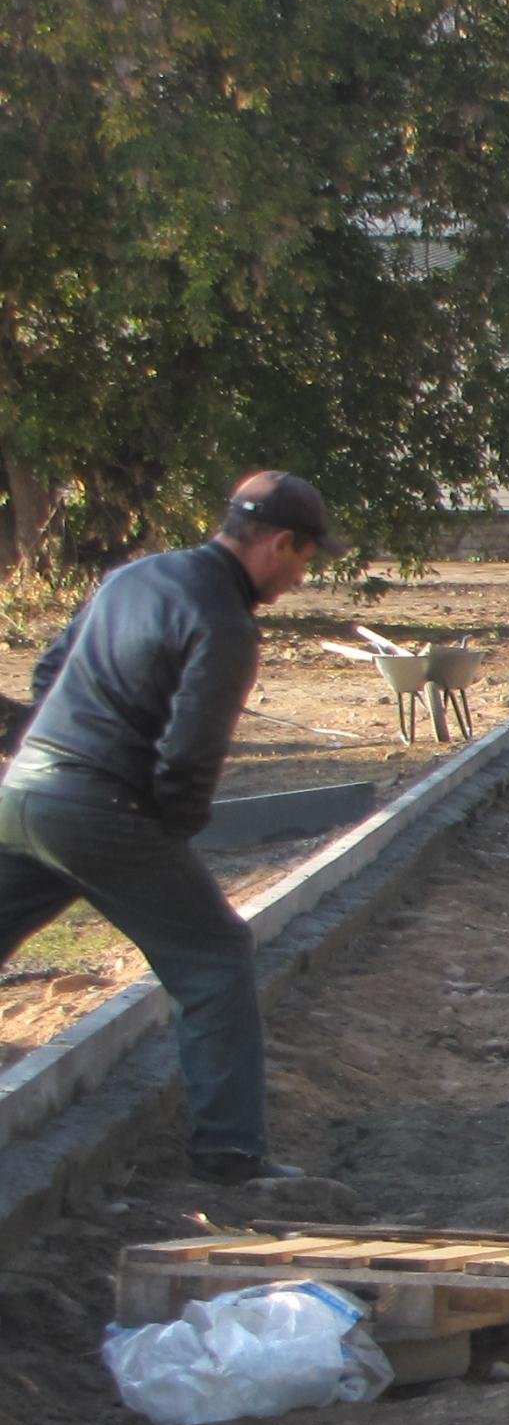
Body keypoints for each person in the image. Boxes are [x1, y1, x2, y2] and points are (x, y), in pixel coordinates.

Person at [0, 471, 344, 1184]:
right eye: (305, 560)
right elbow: (189, 754)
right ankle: (231, 1152)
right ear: (280, 543)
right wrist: (169, 832)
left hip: (23, 792)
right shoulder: (223, 622)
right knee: (215, 955)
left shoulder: (134, 577)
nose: (301, 579)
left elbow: (50, 672)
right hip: (101, 809)